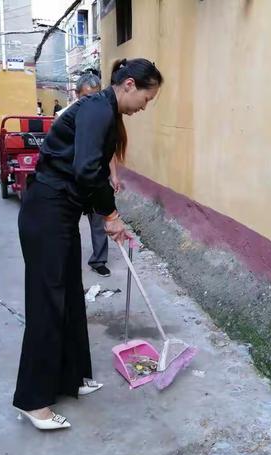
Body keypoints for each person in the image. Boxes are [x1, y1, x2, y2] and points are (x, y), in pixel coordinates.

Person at [13, 58, 163, 430]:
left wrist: (109, 216)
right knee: (48, 303)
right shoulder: (97, 110)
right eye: (146, 97)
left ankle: (71, 378)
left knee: (70, 299)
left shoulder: (106, 112)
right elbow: (86, 169)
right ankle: (33, 401)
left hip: (61, 213)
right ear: (129, 85)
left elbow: (90, 169)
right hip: (46, 212)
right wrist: (110, 216)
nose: (145, 106)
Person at [58, 73, 120, 277]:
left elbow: (106, 151)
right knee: (66, 224)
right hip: (71, 180)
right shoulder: (64, 116)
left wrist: (114, 175)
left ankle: (98, 259)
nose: (91, 99)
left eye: (95, 94)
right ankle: (64, 262)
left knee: (99, 219)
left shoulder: (102, 114)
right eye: (86, 96)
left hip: (93, 178)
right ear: (76, 94)